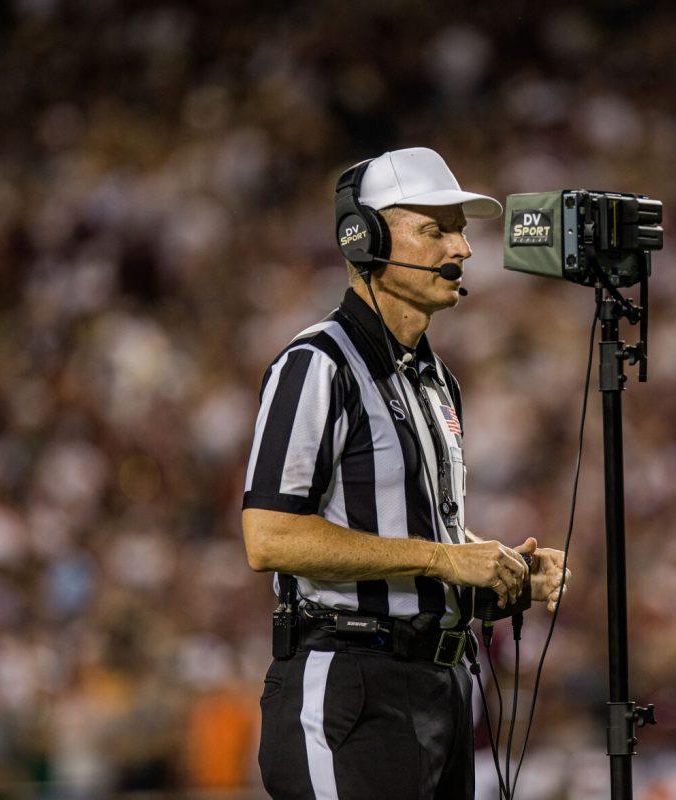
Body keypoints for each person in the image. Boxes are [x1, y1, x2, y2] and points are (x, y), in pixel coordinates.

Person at [241, 147, 570, 800]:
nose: (463, 250)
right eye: (436, 228)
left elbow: (422, 531)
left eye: (462, 230)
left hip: (440, 689)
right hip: (350, 684)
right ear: (363, 237)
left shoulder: (435, 379)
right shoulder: (318, 363)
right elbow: (269, 537)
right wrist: (446, 562)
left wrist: (496, 567)